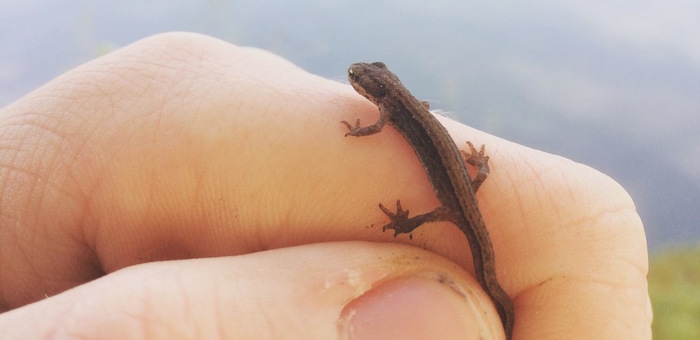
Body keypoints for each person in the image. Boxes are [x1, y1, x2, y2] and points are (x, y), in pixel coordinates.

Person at [0, 33, 651, 338]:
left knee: (436, 218)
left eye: (363, 84)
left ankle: (408, 231)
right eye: (362, 82)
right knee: (465, 212)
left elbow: (373, 132)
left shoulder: (389, 111)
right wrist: (474, 164)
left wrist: (402, 220)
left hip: (456, 201)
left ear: (374, 90)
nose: (361, 87)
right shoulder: (406, 104)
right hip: (466, 190)